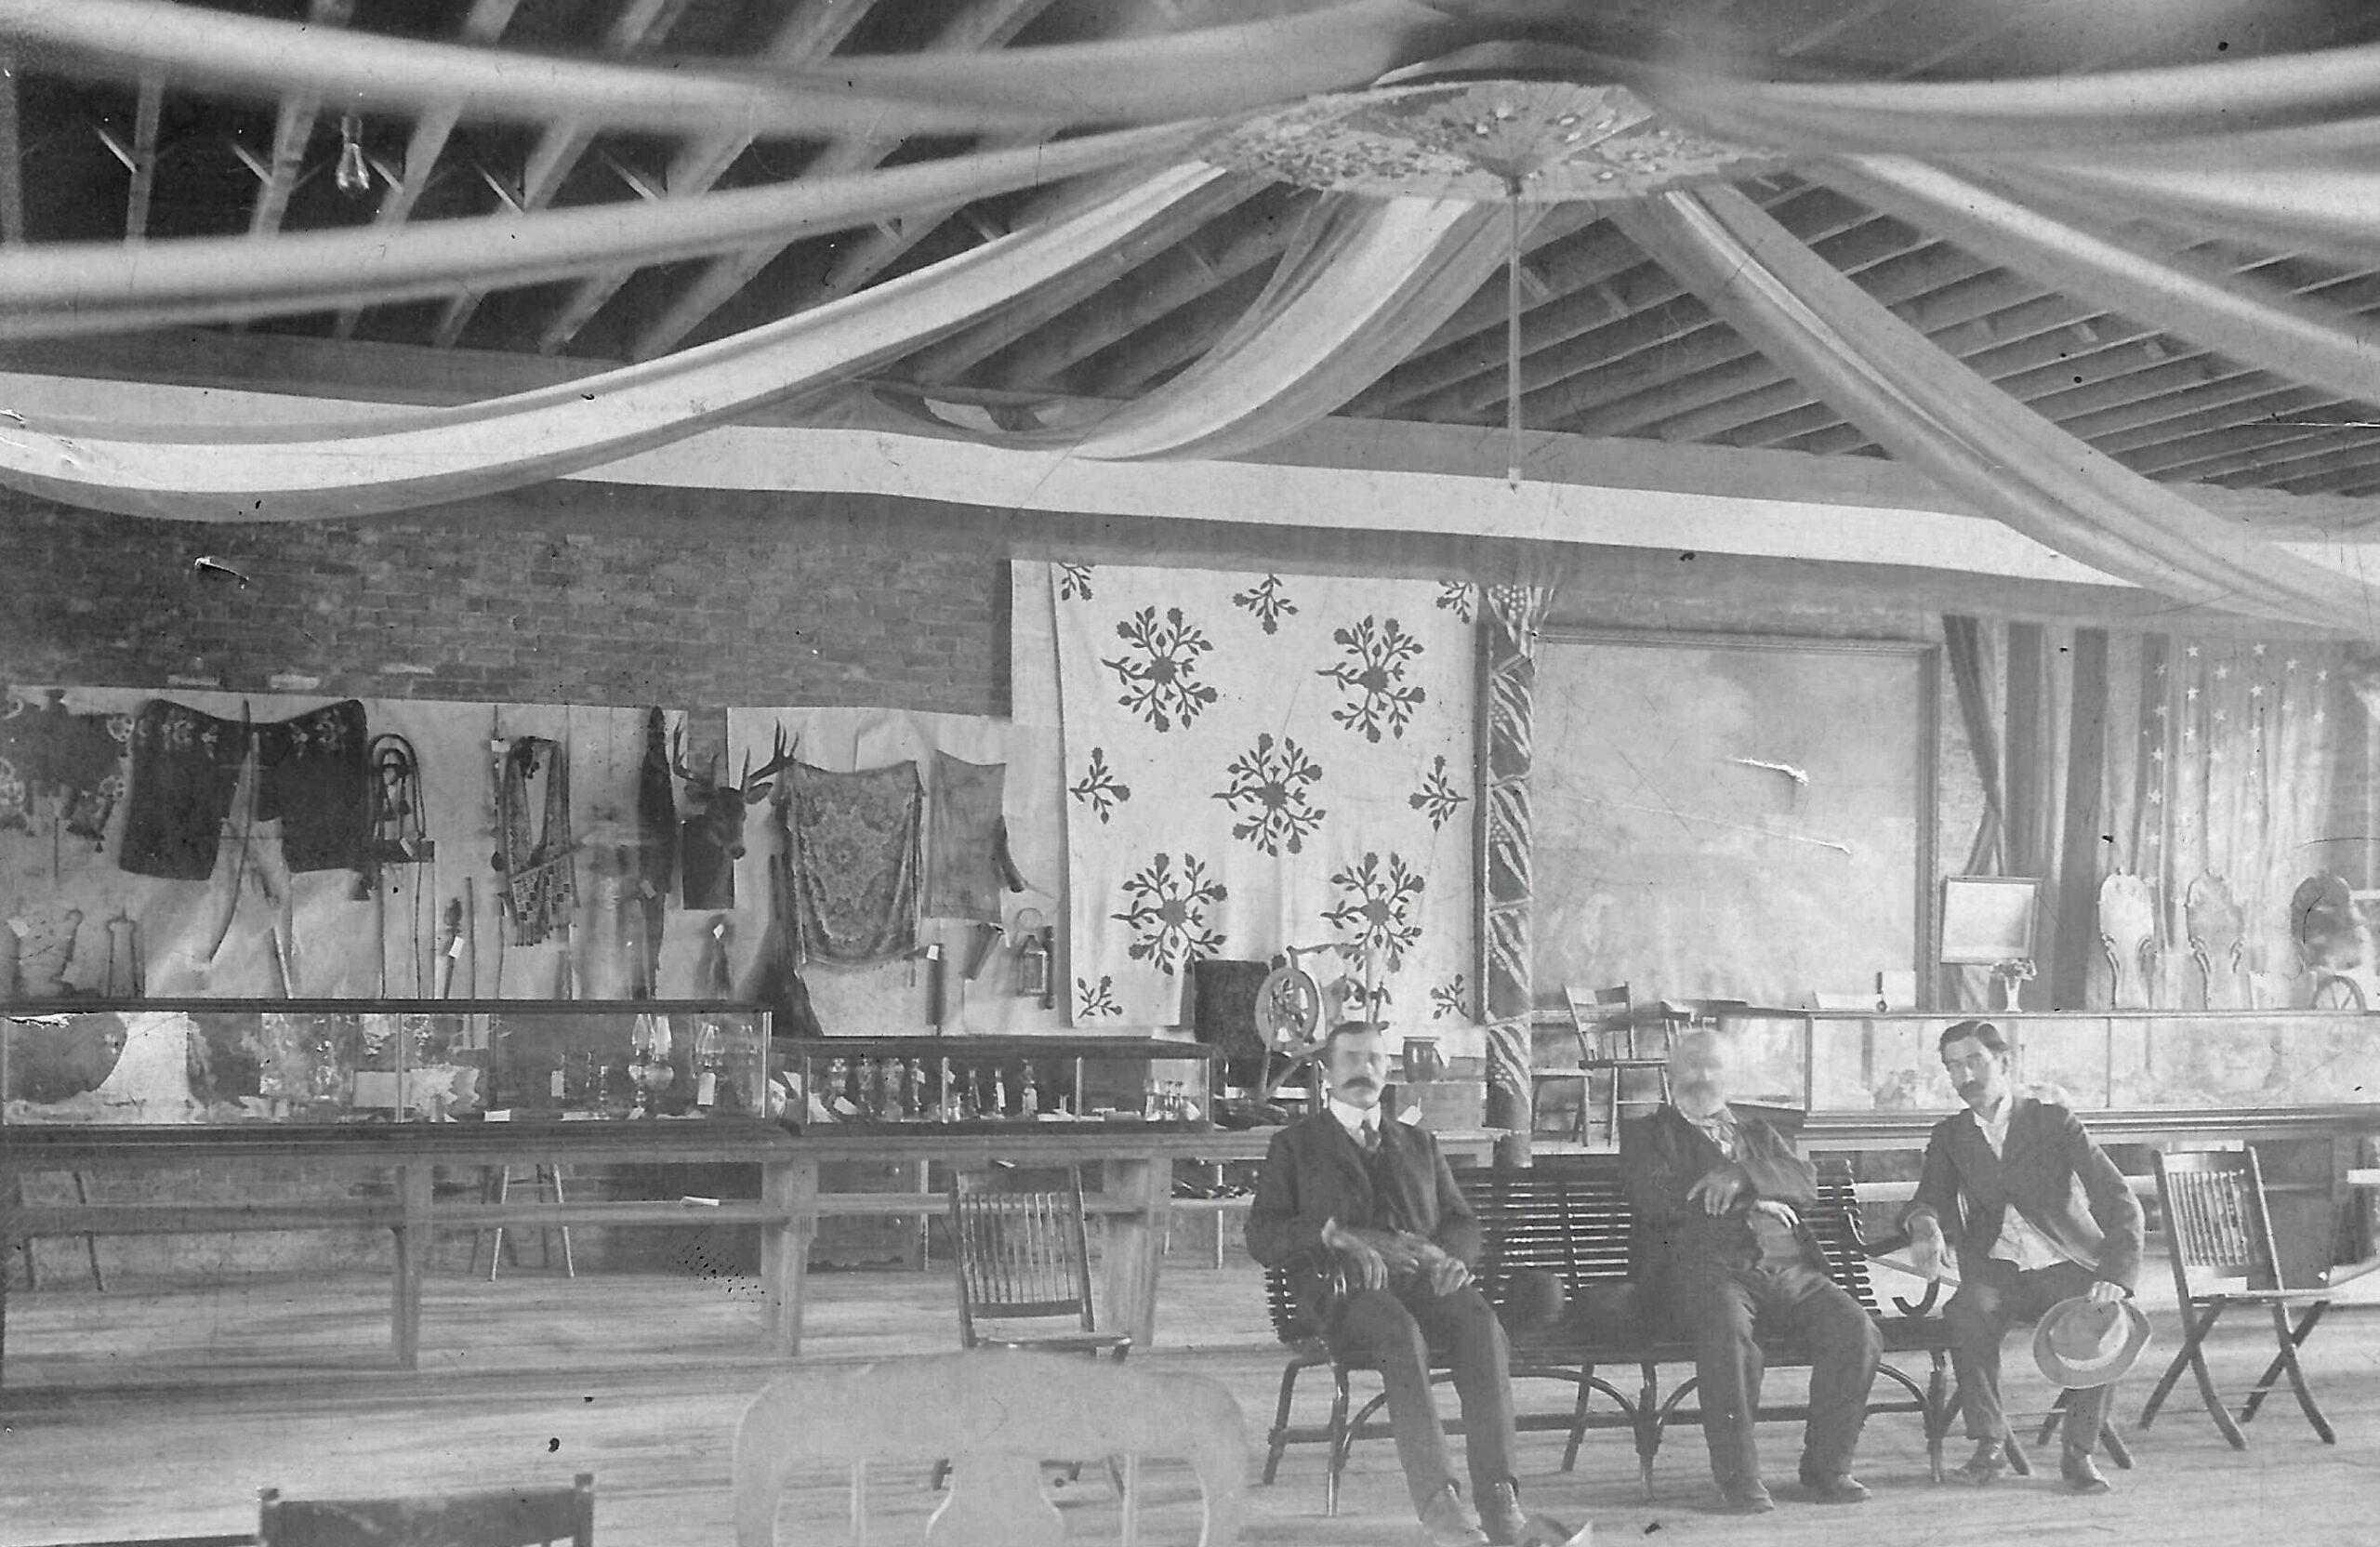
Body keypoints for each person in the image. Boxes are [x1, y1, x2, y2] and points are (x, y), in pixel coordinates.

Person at [1246, 1020, 1528, 1547]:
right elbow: (1262, 1233)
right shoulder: (1296, 1145)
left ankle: (1499, 1497)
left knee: (1480, 1321)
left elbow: (1462, 1222)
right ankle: (1439, 1503)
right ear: (1327, 1073)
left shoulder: (1418, 1142)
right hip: (1344, 1294)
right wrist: (1330, 1234)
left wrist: (1450, 1257)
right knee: (1399, 1331)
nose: (1365, 1070)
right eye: (1351, 1059)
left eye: (1375, 1059)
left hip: (1423, 1284)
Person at [1621, 1027, 1883, 1514]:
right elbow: (1655, 1199)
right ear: (1671, 1072)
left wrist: (1742, 1175)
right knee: (1728, 1334)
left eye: (1713, 1066)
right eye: (1692, 1065)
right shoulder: (1647, 1134)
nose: (1702, 1076)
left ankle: (1828, 1467)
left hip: (1787, 1270)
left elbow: (1805, 1182)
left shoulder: (1757, 1134)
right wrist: (1755, 1198)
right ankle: (1739, 1478)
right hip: (1706, 1272)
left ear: (1730, 1075)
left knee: (1857, 1329)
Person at [1902, 1019, 2144, 1494]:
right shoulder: (1951, 1135)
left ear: (2005, 1062)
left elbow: (2119, 1199)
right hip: (1999, 1271)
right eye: (1953, 1067)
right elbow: (1926, 1197)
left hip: (2066, 1266)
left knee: (2105, 1320)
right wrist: (1924, 1224)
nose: (1964, 1076)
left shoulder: (2052, 1121)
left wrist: (2117, 1273)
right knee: (1966, 1312)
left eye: (1975, 1061)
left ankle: (2078, 1453)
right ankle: (1989, 1444)